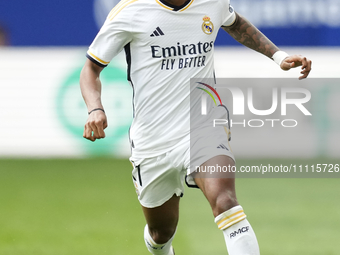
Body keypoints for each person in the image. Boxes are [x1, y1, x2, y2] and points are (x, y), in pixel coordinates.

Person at [80, 0, 312, 254]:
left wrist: (279, 56)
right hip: (153, 139)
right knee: (161, 232)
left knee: (226, 202)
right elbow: (91, 68)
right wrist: (95, 108)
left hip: (204, 125)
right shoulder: (130, 10)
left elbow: (235, 23)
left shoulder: (213, 2)